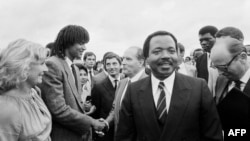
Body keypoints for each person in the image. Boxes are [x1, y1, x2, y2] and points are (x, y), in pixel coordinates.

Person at [115, 30, 223, 141]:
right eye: (157, 51)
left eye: (171, 51)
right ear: (146, 58)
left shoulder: (199, 88)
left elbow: (212, 135)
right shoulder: (133, 91)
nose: (166, 56)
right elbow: (124, 136)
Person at [39, 25, 106, 141]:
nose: (84, 47)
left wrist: (87, 111)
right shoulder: (53, 65)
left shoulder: (74, 68)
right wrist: (92, 122)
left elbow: (75, 105)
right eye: (81, 43)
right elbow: (58, 110)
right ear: (68, 42)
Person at [0, 39, 52, 141]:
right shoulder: (7, 109)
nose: (46, 69)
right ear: (24, 67)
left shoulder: (34, 93)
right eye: (42, 63)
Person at [211, 37, 250, 140]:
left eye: (223, 67)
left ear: (242, 57)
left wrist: (231, 134)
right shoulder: (221, 80)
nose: (220, 73)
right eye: (216, 68)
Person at [105, 46, 148, 132]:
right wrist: (106, 123)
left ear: (140, 62)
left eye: (128, 59)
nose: (123, 62)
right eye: (123, 59)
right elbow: (116, 108)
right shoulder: (122, 83)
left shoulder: (150, 84)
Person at [91, 52, 122, 141]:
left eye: (114, 63)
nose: (111, 67)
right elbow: (95, 113)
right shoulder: (98, 86)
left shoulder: (127, 83)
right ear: (105, 67)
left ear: (120, 65)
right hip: (106, 134)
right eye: (108, 64)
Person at [196, 25, 219, 96]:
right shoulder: (200, 60)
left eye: (207, 39)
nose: (203, 43)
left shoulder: (228, 56)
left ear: (217, 38)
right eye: (201, 40)